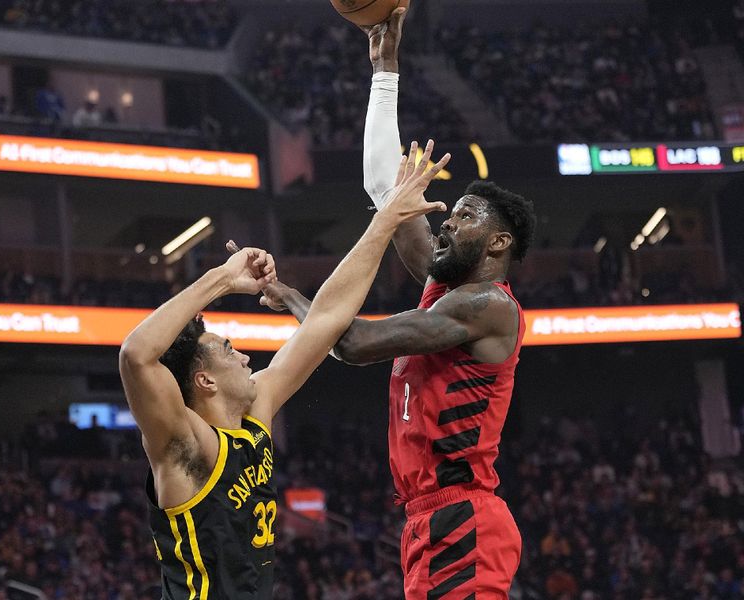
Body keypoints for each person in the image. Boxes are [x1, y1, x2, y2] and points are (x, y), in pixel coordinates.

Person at [259, 8, 536, 599]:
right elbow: (384, 191)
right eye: (449, 209)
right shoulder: (447, 287)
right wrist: (385, 73)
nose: (445, 218)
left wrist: (293, 298)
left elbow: (354, 342)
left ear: (499, 242)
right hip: (428, 518)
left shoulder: (487, 305)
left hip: (461, 516)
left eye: (463, 217)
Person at [119, 143, 450, 599]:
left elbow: (328, 317)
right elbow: (136, 355)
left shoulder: (257, 411)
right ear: (204, 380)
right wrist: (223, 279)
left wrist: (386, 218)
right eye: (229, 349)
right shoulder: (185, 444)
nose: (246, 359)